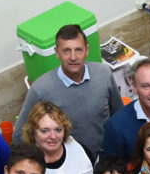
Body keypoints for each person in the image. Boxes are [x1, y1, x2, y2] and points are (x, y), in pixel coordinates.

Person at [14, 24, 125, 155]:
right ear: (57, 53)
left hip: (106, 160)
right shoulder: (41, 90)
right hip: (69, 168)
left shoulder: (103, 73)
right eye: (66, 50)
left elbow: (119, 116)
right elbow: (20, 135)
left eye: (78, 50)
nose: (73, 57)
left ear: (87, 50)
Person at [22, 101, 96, 174]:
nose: (53, 137)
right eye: (45, 131)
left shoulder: (80, 149)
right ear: (32, 132)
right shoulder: (25, 164)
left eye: (58, 130)